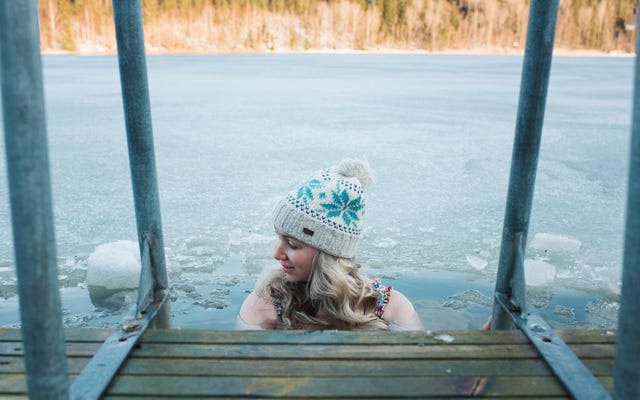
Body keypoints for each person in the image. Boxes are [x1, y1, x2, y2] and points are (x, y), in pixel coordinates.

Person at [237, 158, 424, 331]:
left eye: (292, 244)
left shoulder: (392, 308)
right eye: (279, 237)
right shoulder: (265, 304)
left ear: (329, 253)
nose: (277, 254)